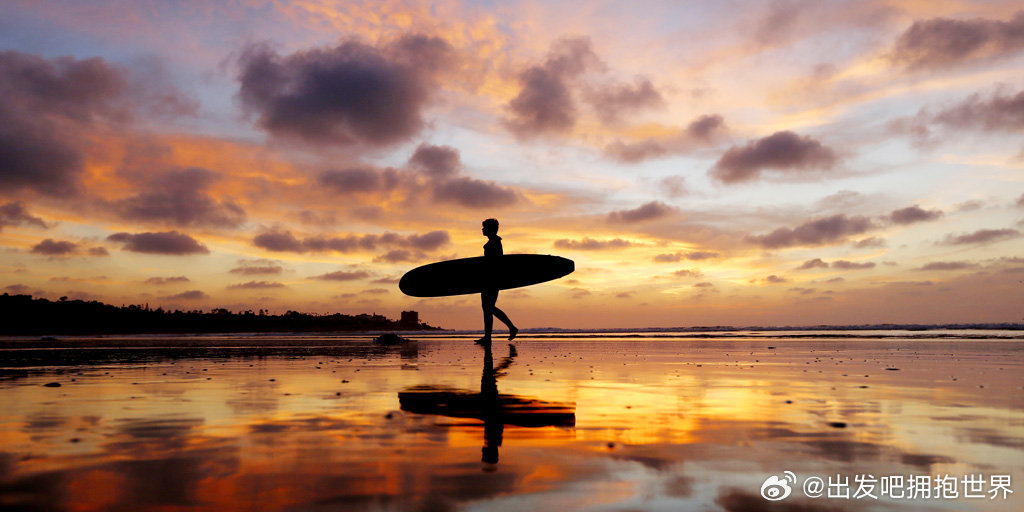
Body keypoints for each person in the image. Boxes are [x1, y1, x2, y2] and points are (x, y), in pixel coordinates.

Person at [476, 218, 517, 344]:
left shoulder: (494, 242)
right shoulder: (493, 242)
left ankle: (511, 328)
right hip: (489, 279)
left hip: (492, 280)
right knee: (487, 308)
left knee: (488, 307)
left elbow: (496, 263)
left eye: (484, 227)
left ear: (490, 229)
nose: (482, 229)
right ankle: (488, 336)